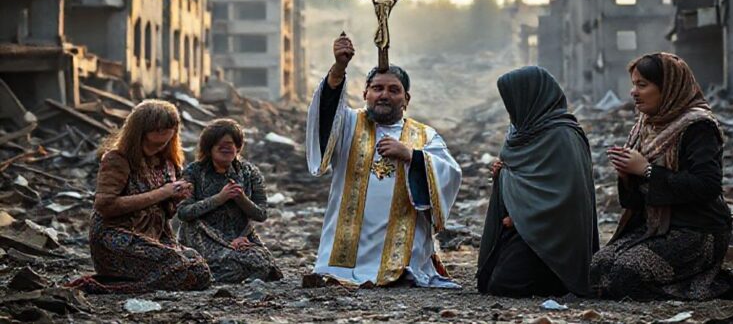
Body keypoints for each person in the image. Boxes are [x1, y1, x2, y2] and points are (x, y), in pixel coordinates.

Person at [591, 52, 733, 301]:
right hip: (656, 227)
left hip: (696, 229)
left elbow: (707, 186)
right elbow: (635, 202)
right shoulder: (645, 125)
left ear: (668, 88)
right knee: (598, 268)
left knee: (626, 276)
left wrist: (646, 171)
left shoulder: (698, 126)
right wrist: (627, 176)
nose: (633, 92)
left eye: (642, 85)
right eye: (633, 84)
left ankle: (717, 286)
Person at [305, 34, 462, 287]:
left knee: (403, 270)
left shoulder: (424, 135)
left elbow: (451, 173)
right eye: (377, 88)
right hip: (347, 245)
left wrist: (412, 156)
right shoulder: (347, 124)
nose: (384, 95)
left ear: (406, 99)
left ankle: (401, 269)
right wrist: (339, 69)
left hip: (401, 243)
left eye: (394, 90)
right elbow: (325, 111)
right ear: (365, 93)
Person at [476, 66, 599, 297]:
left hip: (552, 231)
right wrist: (502, 175)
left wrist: (521, 215)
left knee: (505, 285)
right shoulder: (521, 130)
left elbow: (568, 196)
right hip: (521, 226)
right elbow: (526, 175)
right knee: (492, 282)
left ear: (530, 97)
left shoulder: (563, 136)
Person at [69, 100, 211, 294]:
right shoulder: (117, 159)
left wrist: (176, 198)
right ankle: (107, 287)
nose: (159, 146)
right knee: (177, 265)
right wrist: (163, 192)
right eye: (154, 139)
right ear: (138, 133)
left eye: (165, 139)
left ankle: (116, 283)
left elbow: (165, 213)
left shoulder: (168, 163)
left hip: (153, 239)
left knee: (200, 269)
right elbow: (105, 205)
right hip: (117, 239)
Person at [177, 118, 282, 283]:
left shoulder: (249, 172)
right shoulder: (193, 172)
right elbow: (184, 212)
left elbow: (261, 214)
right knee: (230, 266)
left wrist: (241, 198)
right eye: (219, 143)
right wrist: (219, 198)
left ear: (238, 147)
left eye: (230, 143)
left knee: (266, 266)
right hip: (203, 235)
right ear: (209, 147)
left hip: (241, 237)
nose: (225, 147)